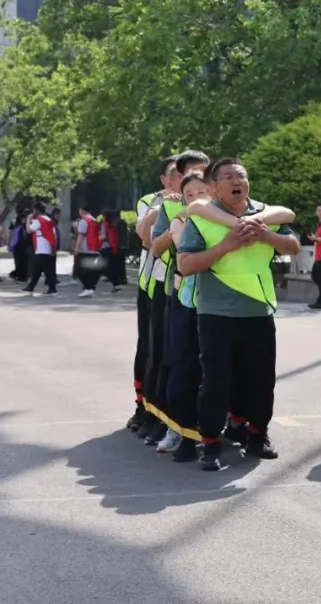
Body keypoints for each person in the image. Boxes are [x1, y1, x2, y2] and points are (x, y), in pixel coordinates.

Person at [178, 158, 301, 471]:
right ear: (214, 186)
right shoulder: (203, 218)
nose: (236, 181)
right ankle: (210, 444)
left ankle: (257, 436)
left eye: (241, 176)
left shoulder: (264, 214)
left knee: (261, 380)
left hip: (258, 310)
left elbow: (292, 246)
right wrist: (227, 245)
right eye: (228, 177)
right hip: (216, 313)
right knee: (216, 382)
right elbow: (186, 264)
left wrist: (265, 235)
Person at [141, 150, 212, 446]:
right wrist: (173, 228)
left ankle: (213, 428)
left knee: (213, 366)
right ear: (179, 179)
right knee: (178, 361)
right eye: (192, 176)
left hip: (217, 296)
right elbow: (153, 246)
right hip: (180, 292)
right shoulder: (169, 207)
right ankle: (175, 427)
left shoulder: (223, 208)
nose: (199, 180)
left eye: (205, 173)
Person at [126, 156, 177, 434]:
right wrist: (160, 212)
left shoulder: (205, 202)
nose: (183, 179)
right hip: (153, 284)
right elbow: (146, 239)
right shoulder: (151, 201)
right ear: (164, 179)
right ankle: (144, 408)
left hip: (188, 288)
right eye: (176, 174)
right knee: (150, 348)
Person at [23, 203, 58, 296]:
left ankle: (52, 289)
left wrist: (28, 219)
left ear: (36, 210)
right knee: (38, 269)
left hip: (42, 247)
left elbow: (29, 230)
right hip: (47, 246)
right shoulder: (48, 219)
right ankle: (31, 287)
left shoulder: (39, 221)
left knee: (47, 270)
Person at [74, 205, 103, 297]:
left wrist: (77, 247)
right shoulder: (94, 220)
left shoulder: (83, 221)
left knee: (78, 270)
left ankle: (88, 287)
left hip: (85, 248)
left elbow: (80, 235)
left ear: (81, 211)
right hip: (95, 248)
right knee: (90, 270)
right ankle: (89, 288)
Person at [100, 209, 127, 292]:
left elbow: (104, 236)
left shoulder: (109, 224)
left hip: (109, 246)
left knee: (109, 266)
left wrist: (98, 238)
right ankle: (119, 280)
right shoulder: (118, 223)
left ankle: (116, 281)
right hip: (117, 246)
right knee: (117, 264)